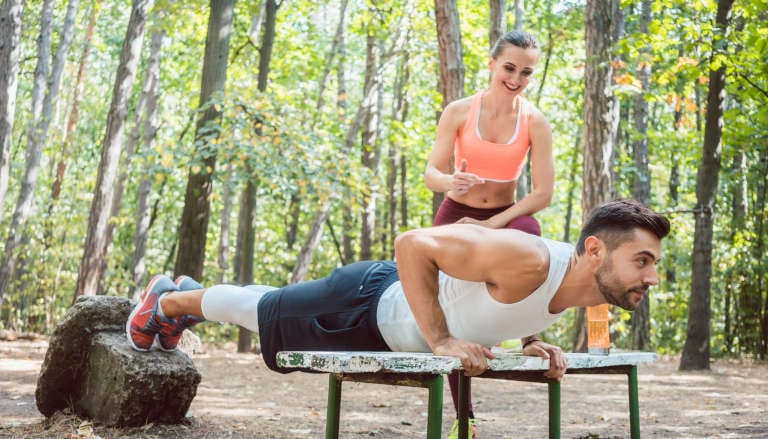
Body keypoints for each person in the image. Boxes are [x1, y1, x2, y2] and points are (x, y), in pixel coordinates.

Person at [127, 201, 669, 390]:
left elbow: (507, 304)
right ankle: (169, 301)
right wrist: (441, 339)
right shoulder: (526, 255)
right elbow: (414, 244)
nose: (650, 278)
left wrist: (529, 342)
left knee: (271, 302)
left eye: (654, 265)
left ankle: (188, 293)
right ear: (595, 250)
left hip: (386, 329)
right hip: (370, 301)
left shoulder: (585, 289)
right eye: (641, 261)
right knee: (262, 313)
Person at [424, 30, 554, 436]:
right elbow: (431, 174)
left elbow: (543, 194)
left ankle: (530, 336)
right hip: (457, 214)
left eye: (526, 72)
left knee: (530, 235)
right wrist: (450, 182)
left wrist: (489, 226)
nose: (516, 78)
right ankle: (466, 419)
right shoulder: (459, 111)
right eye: (509, 67)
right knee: (449, 304)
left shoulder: (535, 122)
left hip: (505, 215)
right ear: (492, 63)